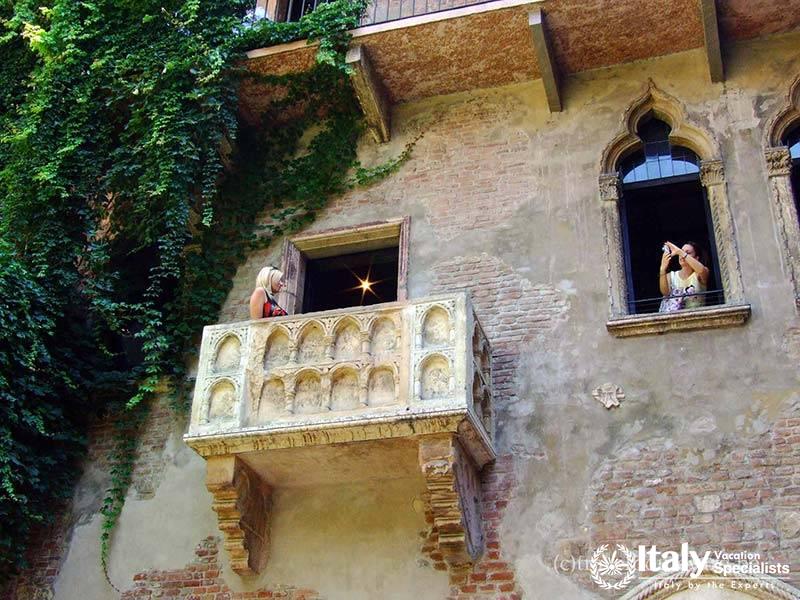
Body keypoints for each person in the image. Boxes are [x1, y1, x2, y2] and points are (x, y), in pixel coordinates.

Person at [658, 241, 710, 312]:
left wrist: (680, 252)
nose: (682, 255)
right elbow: (665, 293)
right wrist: (662, 269)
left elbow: (701, 270)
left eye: (687, 253)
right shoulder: (671, 276)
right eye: (681, 252)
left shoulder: (700, 273)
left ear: (696, 258)